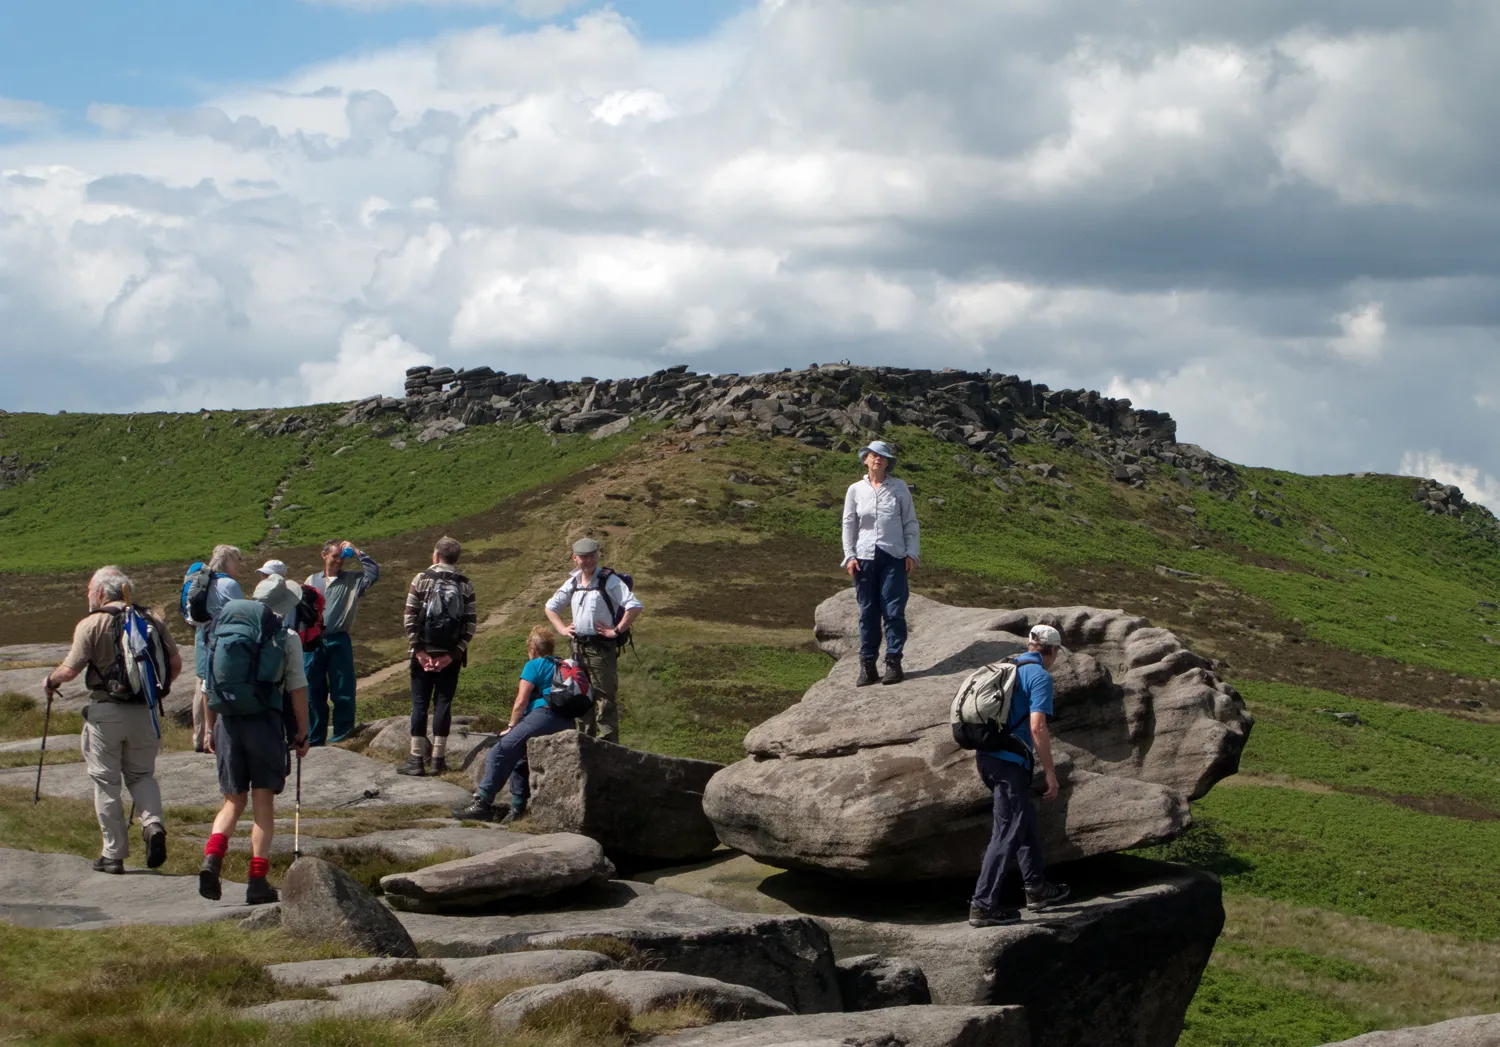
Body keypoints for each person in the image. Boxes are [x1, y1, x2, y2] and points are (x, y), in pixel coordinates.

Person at [43, 566, 183, 874]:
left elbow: (70, 670)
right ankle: (153, 825)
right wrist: (159, 691)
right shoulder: (152, 620)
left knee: (106, 781)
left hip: (105, 712)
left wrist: (50, 681)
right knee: (142, 775)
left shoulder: (92, 623)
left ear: (102, 593)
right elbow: (175, 663)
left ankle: (114, 853)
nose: (88, 596)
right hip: (144, 711)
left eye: (90, 590)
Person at [198, 576, 311, 905]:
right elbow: (297, 690)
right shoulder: (285, 636)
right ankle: (257, 881)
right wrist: (302, 733)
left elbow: (208, 686)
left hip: (228, 723)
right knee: (263, 806)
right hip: (264, 723)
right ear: (284, 606)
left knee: (232, 802)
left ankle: (211, 860)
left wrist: (209, 729)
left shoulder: (224, 630)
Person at [968, 624, 1071, 928]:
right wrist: (1050, 772)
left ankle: (1037, 888)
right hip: (1010, 762)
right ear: (1050, 651)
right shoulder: (1038, 676)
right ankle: (983, 905)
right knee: (1006, 832)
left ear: (1030, 645)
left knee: (1021, 820)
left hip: (987, 758)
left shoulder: (1007, 667)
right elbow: (1038, 727)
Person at [453, 625, 575, 822]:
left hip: (543, 716)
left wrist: (511, 726)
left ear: (533, 649)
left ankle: (482, 803)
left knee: (499, 752)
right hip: (568, 721)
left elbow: (521, 701)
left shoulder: (534, 665)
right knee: (519, 757)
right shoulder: (563, 665)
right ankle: (517, 810)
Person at [543, 538, 641, 743]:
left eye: (591, 556)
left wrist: (616, 630)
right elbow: (551, 607)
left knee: (604, 699)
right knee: (579, 693)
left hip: (601, 649)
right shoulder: (573, 582)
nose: (587, 561)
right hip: (577, 647)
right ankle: (584, 741)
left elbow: (634, 606)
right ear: (574, 558)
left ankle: (608, 745)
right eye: (583, 557)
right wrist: (561, 628)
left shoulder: (609, 581)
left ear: (596, 556)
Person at [841, 440, 920, 686]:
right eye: (874, 455)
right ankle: (867, 665)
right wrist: (849, 555)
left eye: (883, 457)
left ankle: (893, 662)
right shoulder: (855, 490)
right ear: (865, 459)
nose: (878, 459)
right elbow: (849, 524)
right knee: (868, 612)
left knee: (894, 611)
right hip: (864, 557)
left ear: (888, 463)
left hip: (893, 556)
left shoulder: (899, 488)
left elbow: (910, 522)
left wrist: (911, 553)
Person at [398, 536, 478, 776]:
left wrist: (420, 652)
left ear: (435, 555)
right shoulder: (465, 584)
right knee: (443, 703)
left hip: (422, 653)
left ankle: (416, 759)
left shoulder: (421, 580)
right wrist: (453, 655)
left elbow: (410, 617)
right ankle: (437, 760)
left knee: (420, 702)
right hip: (449, 656)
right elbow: (470, 624)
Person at [302, 540, 379, 745]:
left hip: (338, 639)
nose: (339, 561)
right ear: (324, 555)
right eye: (335, 556)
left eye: (341, 557)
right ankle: (315, 736)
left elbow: (373, 573)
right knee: (312, 689)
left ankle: (343, 734)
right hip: (313, 641)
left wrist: (356, 551)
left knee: (343, 688)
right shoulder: (311, 580)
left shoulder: (353, 580)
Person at [191, 545, 246, 752]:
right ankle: (218, 736)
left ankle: (201, 737)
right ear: (229, 560)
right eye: (237, 560)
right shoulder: (229, 584)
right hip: (221, 639)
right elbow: (241, 613)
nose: (239, 565)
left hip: (202, 636)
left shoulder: (202, 581)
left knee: (202, 686)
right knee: (220, 684)